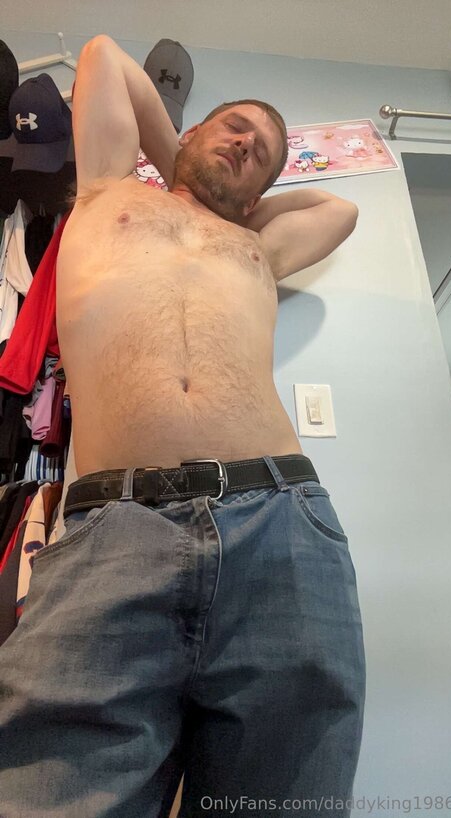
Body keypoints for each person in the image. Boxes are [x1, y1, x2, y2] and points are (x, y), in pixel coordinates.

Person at [0, 34, 366, 818]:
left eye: (263, 153)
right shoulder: (105, 189)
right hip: (113, 526)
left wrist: (238, 198)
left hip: (280, 525)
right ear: (191, 129)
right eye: (235, 127)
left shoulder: (256, 245)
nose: (247, 144)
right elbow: (102, 57)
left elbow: (342, 210)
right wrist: (182, 164)